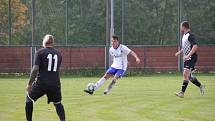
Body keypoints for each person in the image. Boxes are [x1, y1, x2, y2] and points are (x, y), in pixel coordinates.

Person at [25, 34, 66, 121]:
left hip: (41, 83)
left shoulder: (39, 52)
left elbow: (35, 69)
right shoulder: (59, 54)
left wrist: (29, 84)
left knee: (29, 99)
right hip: (55, 84)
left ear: (44, 42)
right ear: (53, 42)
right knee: (58, 103)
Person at [175, 21, 205, 98]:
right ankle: (201, 86)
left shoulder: (190, 35)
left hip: (191, 58)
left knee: (185, 74)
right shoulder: (184, 36)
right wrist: (179, 52)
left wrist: (188, 55)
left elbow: (195, 46)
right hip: (187, 58)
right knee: (189, 76)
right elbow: (185, 47)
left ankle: (182, 93)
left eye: (181, 26)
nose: (180, 28)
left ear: (184, 27)